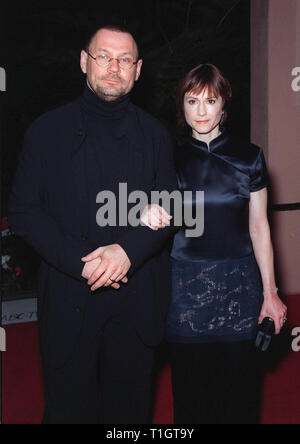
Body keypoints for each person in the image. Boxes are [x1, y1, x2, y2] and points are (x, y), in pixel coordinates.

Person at [9, 25, 178, 424]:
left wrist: (126, 252)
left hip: (137, 302)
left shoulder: (156, 136)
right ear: (85, 61)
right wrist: (81, 262)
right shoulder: (45, 131)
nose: (113, 67)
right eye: (104, 56)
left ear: (137, 70)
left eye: (124, 59)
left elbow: (170, 205)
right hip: (70, 298)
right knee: (68, 412)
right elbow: (24, 211)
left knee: (130, 417)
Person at [142, 64, 287, 424]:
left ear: (224, 105)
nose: (202, 111)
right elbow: (148, 214)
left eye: (211, 100)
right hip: (183, 294)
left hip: (239, 291)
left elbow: (259, 227)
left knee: (240, 401)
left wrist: (270, 291)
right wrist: (143, 209)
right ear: (182, 107)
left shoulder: (249, 156)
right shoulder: (168, 159)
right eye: (193, 101)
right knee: (191, 403)